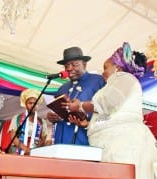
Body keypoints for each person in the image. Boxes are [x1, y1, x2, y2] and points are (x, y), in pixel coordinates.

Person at [66, 42, 157, 179]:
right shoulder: (117, 83)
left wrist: (80, 105)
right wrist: (87, 124)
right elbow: (110, 115)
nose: (103, 72)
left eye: (105, 67)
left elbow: (107, 104)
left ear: (117, 68)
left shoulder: (123, 77)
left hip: (123, 146)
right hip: (114, 145)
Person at [47, 47, 105, 145]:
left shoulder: (98, 81)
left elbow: (107, 110)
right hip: (61, 140)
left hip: (84, 140)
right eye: (66, 65)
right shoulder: (62, 88)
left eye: (74, 64)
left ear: (84, 64)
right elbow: (61, 111)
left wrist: (88, 122)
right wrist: (53, 117)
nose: (69, 68)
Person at [8, 88, 48, 155]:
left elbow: (44, 138)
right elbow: (13, 137)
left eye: (35, 103)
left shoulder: (42, 121)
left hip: (34, 153)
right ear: (25, 105)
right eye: (30, 103)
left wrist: (34, 150)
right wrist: (25, 149)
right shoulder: (17, 118)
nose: (33, 105)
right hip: (18, 152)